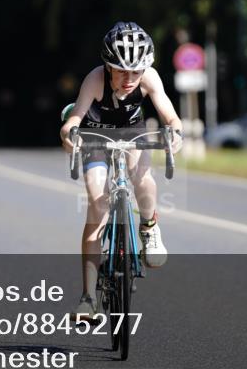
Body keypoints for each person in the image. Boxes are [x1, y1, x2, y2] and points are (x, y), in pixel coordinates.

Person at [59, 22, 183, 321]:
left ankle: (149, 228)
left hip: (132, 134)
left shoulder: (149, 77)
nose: (129, 79)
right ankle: (88, 298)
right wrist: (68, 134)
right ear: (107, 66)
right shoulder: (95, 79)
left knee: (142, 178)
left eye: (136, 72)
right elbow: (74, 118)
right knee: (97, 198)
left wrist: (175, 135)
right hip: (96, 138)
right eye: (121, 70)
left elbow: (170, 116)